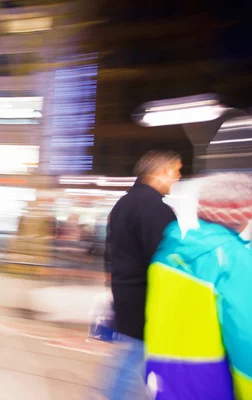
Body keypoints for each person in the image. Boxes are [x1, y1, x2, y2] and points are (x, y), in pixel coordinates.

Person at [145, 173, 252, 399]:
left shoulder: (169, 251)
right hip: (213, 383)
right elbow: (245, 335)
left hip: (164, 377)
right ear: (240, 214)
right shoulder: (233, 259)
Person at [104, 150, 182, 399]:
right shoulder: (154, 208)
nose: (178, 178)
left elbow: (113, 251)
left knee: (134, 354)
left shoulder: (123, 203)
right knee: (136, 355)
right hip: (147, 295)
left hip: (126, 291)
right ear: (162, 172)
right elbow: (165, 257)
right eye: (176, 171)